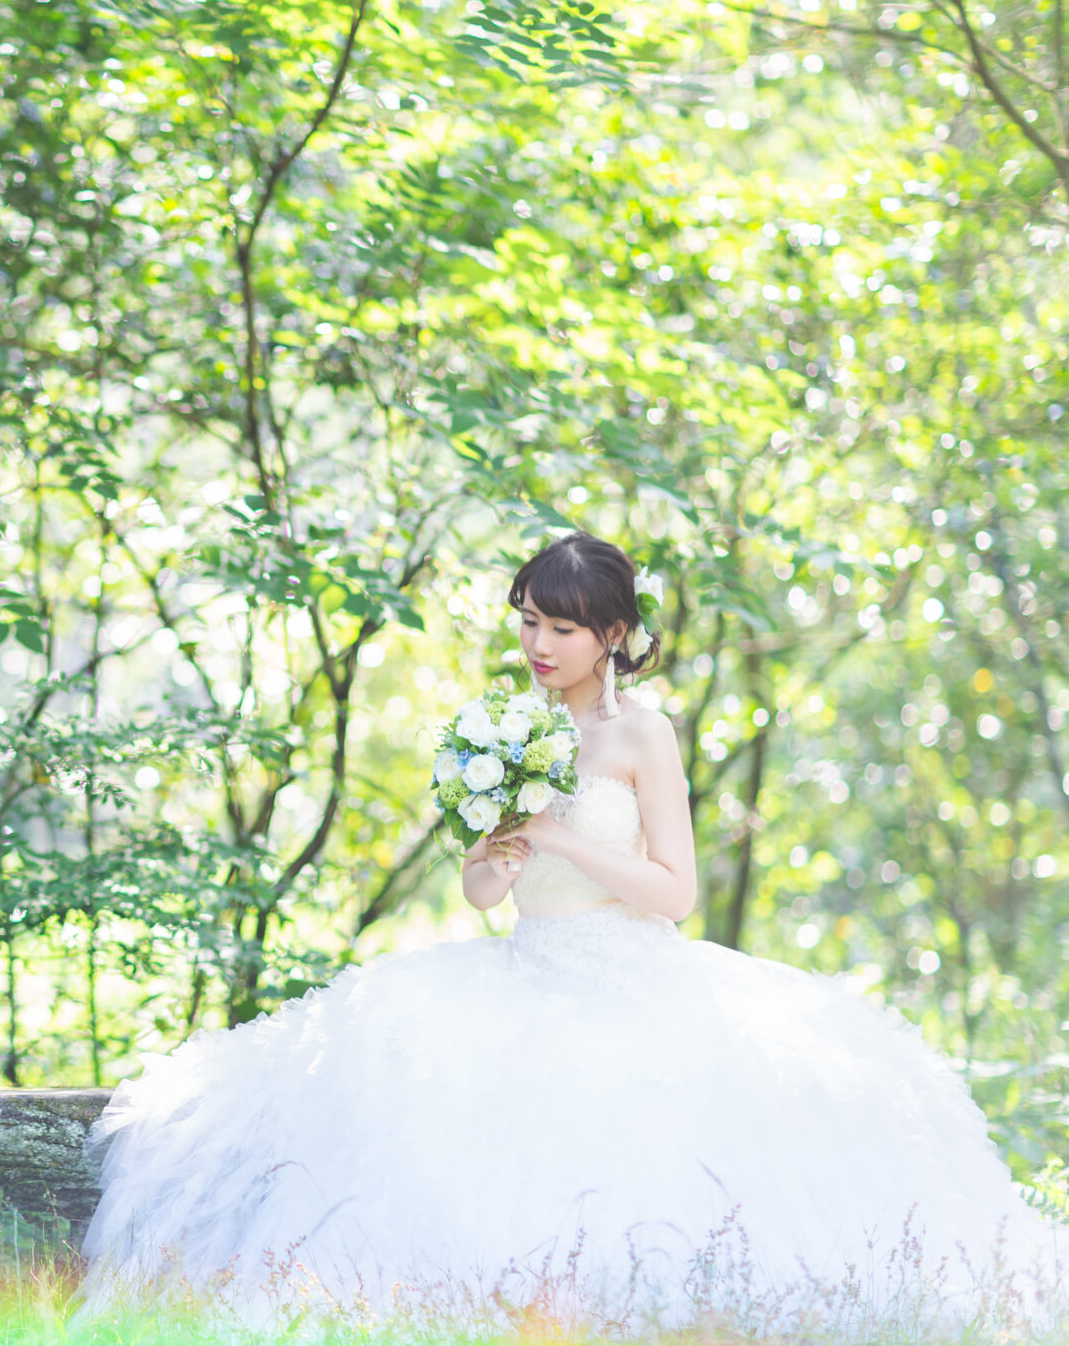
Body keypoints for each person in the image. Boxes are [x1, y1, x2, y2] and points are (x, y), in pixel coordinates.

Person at [78, 531, 1060, 1333]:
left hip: (630, 975)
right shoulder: (505, 730)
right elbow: (478, 891)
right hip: (522, 968)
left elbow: (674, 892)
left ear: (612, 634)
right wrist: (500, 855)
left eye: (561, 626)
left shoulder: (641, 735)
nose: (539, 644)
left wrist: (558, 835)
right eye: (528, 621)